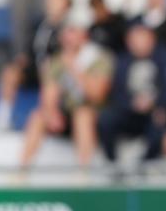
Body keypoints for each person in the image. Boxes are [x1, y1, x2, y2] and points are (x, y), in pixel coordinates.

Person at [19, 21, 114, 168]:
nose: (67, 39)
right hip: (66, 115)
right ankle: (23, 169)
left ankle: (84, 172)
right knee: (38, 116)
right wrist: (51, 112)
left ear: (84, 36)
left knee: (83, 114)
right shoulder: (58, 60)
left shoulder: (100, 58)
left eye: (72, 33)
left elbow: (97, 95)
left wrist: (74, 69)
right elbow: (49, 92)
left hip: (94, 114)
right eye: (65, 35)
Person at [0, 0, 72, 131]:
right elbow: (31, 48)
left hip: (56, 71)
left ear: (65, 6)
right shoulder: (39, 24)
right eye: (51, 1)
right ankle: (2, 119)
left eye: (57, 2)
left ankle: (48, 117)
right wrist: (23, 58)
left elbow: (68, 54)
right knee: (10, 72)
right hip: (34, 67)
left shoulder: (68, 28)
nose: (52, 5)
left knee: (49, 73)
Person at [97, 23, 166, 163]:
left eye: (143, 40)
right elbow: (116, 93)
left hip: (154, 113)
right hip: (128, 112)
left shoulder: (164, 59)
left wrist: (155, 105)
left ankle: (146, 165)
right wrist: (132, 103)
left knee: (160, 125)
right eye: (134, 40)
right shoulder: (122, 62)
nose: (139, 44)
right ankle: (112, 163)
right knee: (105, 119)